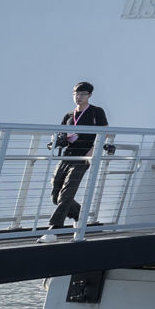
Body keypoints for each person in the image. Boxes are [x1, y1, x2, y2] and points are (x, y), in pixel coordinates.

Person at [48, 81, 109, 230]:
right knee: (56, 196)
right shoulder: (69, 115)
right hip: (67, 156)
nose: (79, 97)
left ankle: (54, 228)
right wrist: (57, 141)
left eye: (83, 94)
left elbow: (105, 133)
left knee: (67, 193)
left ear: (89, 95)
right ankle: (80, 216)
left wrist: (92, 151)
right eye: (76, 94)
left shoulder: (96, 112)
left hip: (83, 158)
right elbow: (60, 133)